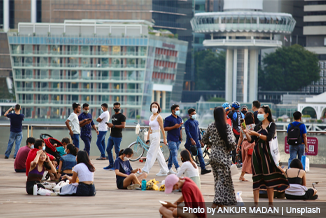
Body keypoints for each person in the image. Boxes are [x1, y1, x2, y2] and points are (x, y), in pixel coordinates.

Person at [244, 105, 289, 207]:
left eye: (260, 113)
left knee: (269, 180)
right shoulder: (257, 126)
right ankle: (255, 204)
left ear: (267, 114)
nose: (258, 115)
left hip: (267, 154)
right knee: (256, 179)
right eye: (258, 113)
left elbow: (269, 138)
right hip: (257, 154)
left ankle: (271, 204)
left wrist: (257, 134)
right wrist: (246, 133)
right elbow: (252, 140)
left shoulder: (271, 125)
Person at [202, 107, 237, 207]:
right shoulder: (226, 126)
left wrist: (211, 144)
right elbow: (231, 142)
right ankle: (216, 201)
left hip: (213, 155)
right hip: (223, 155)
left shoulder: (211, 126)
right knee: (223, 180)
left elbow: (204, 139)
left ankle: (221, 203)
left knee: (217, 178)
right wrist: (231, 148)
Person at [141, 102, 169, 176]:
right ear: (151, 108)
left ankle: (145, 170)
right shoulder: (151, 116)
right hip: (151, 135)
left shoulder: (159, 117)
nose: (154, 107)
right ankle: (164, 170)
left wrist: (165, 139)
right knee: (158, 153)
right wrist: (147, 137)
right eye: (153, 106)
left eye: (155, 106)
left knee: (150, 152)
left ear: (158, 108)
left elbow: (162, 129)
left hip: (157, 135)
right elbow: (150, 128)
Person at [184, 108, 211, 175]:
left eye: (195, 114)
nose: (194, 115)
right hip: (190, 143)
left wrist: (201, 140)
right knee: (188, 157)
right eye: (193, 114)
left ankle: (203, 169)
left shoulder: (196, 122)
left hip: (197, 143)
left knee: (200, 156)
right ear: (189, 115)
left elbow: (198, 131)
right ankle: (185, 169)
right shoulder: (187, 122)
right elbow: (187, 132)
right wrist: (191, 139)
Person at [104, 102, 126, 170]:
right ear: (113, 108)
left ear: (120, 108)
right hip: (111, 135)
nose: (116, 108)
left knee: (117, 151)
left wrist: (113, 125)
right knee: (108, 149)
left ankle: (117, 166)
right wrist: (110, 125)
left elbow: (123, 126)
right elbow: (113, 125)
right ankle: (111, 164)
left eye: (118, 107)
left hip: (118, 136)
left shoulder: (122, 116)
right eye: (115, 107)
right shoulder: (113, 116)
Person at [164, 104, 183, 174]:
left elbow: (180, 128)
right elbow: (165, 128)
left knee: (172, 155)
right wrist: (174, 127)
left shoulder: (179, 118)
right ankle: (178, 168)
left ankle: (168, 168)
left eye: (178, 109)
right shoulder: (168, 119)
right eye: (177, 109)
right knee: (174, 154)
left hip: (178, 139)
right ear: (173, 110)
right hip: (171, 139)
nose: (178, 111)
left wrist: (181, 138)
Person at [236, 112, 255, 181]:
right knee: (248, 160)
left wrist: (238, 146)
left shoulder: (243, 127)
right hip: (251, 144)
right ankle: (241, 176)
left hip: (244, 144)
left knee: (246, 160)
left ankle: (244, 176)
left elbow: (240, 137)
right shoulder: (254, 126)